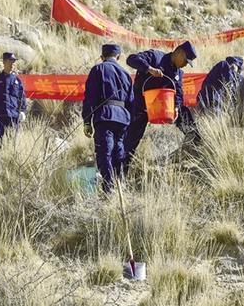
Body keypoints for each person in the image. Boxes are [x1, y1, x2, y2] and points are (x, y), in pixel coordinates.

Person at [124, 41, 198, 170]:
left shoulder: (178, 73)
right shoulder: (155, 57)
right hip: (141, 105)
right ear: (179, 53)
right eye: (186, 61)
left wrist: (176, 107)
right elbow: (131, 59)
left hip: (161, 107)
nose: (185, 65)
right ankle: (120, 168)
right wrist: (149, 69)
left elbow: (179, 93)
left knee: (183, 111)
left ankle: (195, 141)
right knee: (131, 139)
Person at [82, 44, 134, 193]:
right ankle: (120, 186)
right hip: (123, 118)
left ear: (102, 57)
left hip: (105, 116)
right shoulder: (126, 74)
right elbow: (131, 102)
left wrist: (87, 121)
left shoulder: (98, 69)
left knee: (105, 152)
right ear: (118, 57)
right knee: (119, 151)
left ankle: (108, 189)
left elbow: (90, 97)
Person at [0, 52, 27, 129]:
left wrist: (22, 111)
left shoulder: (17, 81)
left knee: (11, 136)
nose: (12, 63)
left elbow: (22, 98)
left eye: (14, 61)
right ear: (4, 62)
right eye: (10, 60)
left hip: (13, 117)